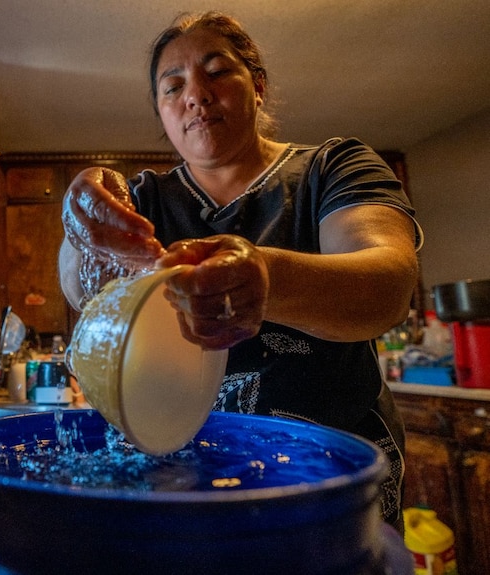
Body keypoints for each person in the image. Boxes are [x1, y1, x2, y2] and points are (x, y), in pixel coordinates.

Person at [58, 11, 422, 532]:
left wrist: (266, 280)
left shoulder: (333, 168)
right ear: (161, 112)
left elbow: (387, 282)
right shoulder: (144, 200)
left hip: (328, 484)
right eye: (173, 86)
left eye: (217, 72)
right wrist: (79, 225)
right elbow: (77, 289)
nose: (197, 95)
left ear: (258, 87)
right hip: (179, 482)